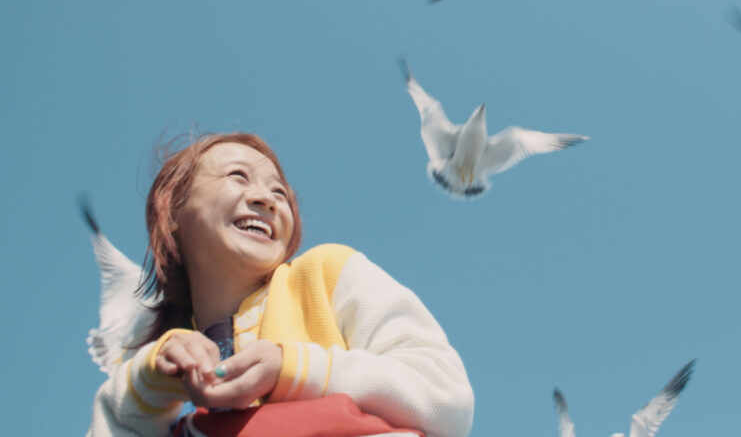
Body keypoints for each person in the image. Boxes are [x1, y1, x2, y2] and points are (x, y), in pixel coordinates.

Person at [88, 133, 474, 437]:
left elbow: (447, 398)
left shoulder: (326, 274)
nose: (268, 200)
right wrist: (147, 380)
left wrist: (294, 368)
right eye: (238, 176)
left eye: (279, 193)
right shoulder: (171, 382)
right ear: (173, 211)